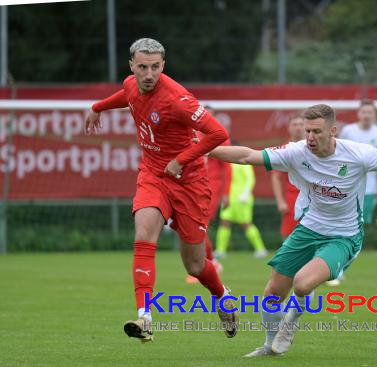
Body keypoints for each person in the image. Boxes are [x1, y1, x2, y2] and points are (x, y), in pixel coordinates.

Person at [209, 104, 377, 356]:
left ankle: (291, 323)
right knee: (271, 294)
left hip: (343, 236)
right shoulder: (296, 152)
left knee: (302, 283)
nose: (310, 137)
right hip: (308, 229)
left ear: (333, 131)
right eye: (308, 131)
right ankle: (269, 346)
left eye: (317, 132)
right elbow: (246, 156)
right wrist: (203, 150)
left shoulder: (357, 154)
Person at [84, 38, 238, 343]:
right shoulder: (131, 85)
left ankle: (221, 295)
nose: (149, 74)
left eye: (155, 67)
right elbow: (125, 96)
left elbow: (219, 133)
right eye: (142, 67)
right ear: (132, 66)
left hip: (189, 183)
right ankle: (145, 317)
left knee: (195, 265)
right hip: (153, 175)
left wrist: (181, 160)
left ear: (163, 65)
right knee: (143, 236)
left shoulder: (178, 99)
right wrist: (97, 107)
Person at [185, 106, 229, 284]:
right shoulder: (193, 135)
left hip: (212, 188)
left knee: (199, 225)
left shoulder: (219, 137)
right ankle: (210, 262)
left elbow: (227, 167)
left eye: (209, 116)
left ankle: (207, 263)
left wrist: (226, 193)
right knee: (192, 225)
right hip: (193, 187)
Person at [339, 99, 377, 224]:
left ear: (375, 114)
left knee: (361, 222)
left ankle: (357, 244)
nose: (366, 115)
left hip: (370, 187)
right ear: (358, 113)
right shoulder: (348, 131)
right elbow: (339, 155)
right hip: (347, 184)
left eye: (370, 112)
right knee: (346, 220)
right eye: (364, 112)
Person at [214, 160, 268, 259]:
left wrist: (245, 194)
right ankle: (220, 251)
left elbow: (250, 179)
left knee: (246, 224)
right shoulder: (227, 164)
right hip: (229, 198)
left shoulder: (243, 162)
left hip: (241, 199)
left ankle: (261, 249)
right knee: (224, 222)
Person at [270, 114, 305, 240]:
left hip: (314, 197)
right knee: (289, 233)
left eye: (301, 125)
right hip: (292, 198)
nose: (298, 128)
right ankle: (290, 258)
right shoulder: (284, 150)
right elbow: (276, 177)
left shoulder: (314, 147)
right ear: (289, 128)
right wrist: (280, 201)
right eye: (295, 125)